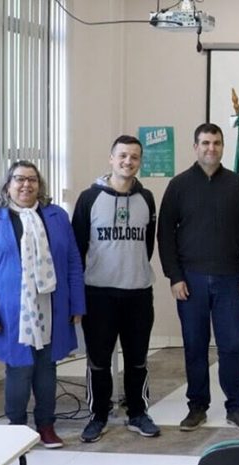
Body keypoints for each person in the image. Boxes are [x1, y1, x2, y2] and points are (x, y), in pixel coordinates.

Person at [158, 123, 239, 431]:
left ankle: (235, 407)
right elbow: (165, 236)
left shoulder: (238, 186)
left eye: (216, 143)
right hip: (190, 281)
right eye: (205, 143)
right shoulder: (178, 186)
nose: (211, 148)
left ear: (222, 146)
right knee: (194, 346)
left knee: (231, 346)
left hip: (231, 280)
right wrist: (174, 277)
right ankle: (197, 406)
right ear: (195, 147)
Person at [0, 161, 85, 448]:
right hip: (11, 309)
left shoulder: (56, 216)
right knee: (19, 367)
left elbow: (74, 262)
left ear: (40, 185)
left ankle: (46, 426)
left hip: (51, 305)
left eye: (32, 179)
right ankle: (16, 430)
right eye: (19, 179)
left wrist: (77, 304)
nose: (26, 185)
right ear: (7, 185)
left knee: (47, 367)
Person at [72, 135, 161, 442]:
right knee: (98, 360)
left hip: (137, 293)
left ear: (139, 162)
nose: (128, 161)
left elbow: (147, 245)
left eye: (134, 157)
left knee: (138, 358)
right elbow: (77, 248)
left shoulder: (146, 198)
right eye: (122, 156)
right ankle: (98, 415)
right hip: (99, 294)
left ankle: (138, 412)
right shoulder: (89, 198)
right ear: (111, 159)